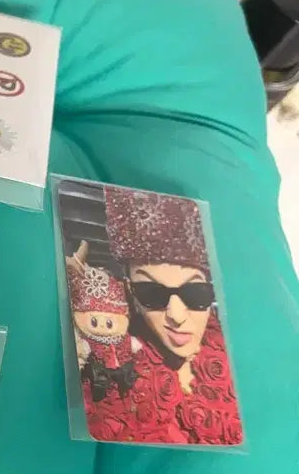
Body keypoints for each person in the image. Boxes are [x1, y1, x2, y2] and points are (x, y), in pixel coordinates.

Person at [76, 187, 242, 445]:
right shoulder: (115, 366)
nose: (176, 316)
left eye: (195, 293)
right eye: (151, 293)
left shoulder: (242, 349)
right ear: (130, 291)